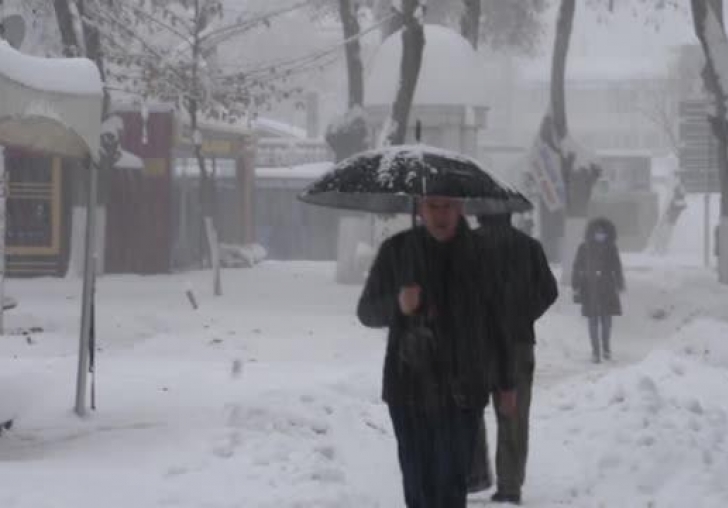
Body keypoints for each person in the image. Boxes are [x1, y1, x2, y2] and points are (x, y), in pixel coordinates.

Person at [357, 196, 517, 508]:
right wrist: (398, 305)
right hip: (409, 389)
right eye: (432, 206)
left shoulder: (483, 255)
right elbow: (366, 312)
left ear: (460, 209)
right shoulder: (397, 250)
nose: (440, 215)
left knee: (450, 483)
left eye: (447, 206)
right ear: (419, 209)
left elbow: (500, 324)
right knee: (418, 483)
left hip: (463, 388)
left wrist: (506, 382)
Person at [471, 213, 558, 505]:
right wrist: (523, 315)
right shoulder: (529, 246)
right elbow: (549, 291)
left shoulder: (466, 245)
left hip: (474, 343)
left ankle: (473, 475)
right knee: (514, 414)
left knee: (466, 411)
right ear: (509, 215)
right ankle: (509, 485)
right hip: (518, 342)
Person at [571, 217, 625, 364]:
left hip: (607, 287)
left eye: (603, 232)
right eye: (598, 232)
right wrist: (575, 285)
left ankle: (606, 349)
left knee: (607, 321)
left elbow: (617, 266)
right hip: (590, 288)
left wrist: (619, 283)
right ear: (592, 232)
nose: (601, 235)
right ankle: (595, 352)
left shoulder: (611, 248)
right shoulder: (584, 248)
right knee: (593, 321)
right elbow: (577, 267)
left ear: (608, 233)